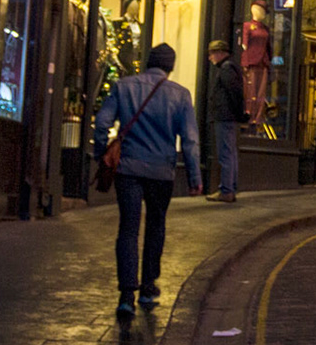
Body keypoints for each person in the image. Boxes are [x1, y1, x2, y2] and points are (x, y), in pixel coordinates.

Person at [92, 43, 201, 319]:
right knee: (156, 226)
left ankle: (126, 295)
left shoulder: (123, 86)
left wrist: (101, 153)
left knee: (128, 229)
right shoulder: (180, 95)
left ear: (147, 62)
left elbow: (102, 123)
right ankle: (148, 287)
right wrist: (194, 177)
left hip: (128, 169)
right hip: (161, 172)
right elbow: (190, 140)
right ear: (171, 67)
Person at [206, 39, 246, 204]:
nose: (210, 58)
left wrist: (236, 112)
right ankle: (230, 188)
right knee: (230, 153)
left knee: (226, 154)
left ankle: (226, 190)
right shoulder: (230, 67)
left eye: (211, 54)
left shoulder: (226, 68)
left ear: (220, 53)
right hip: (229, 116)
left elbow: (234, 92)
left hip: (225, 116)